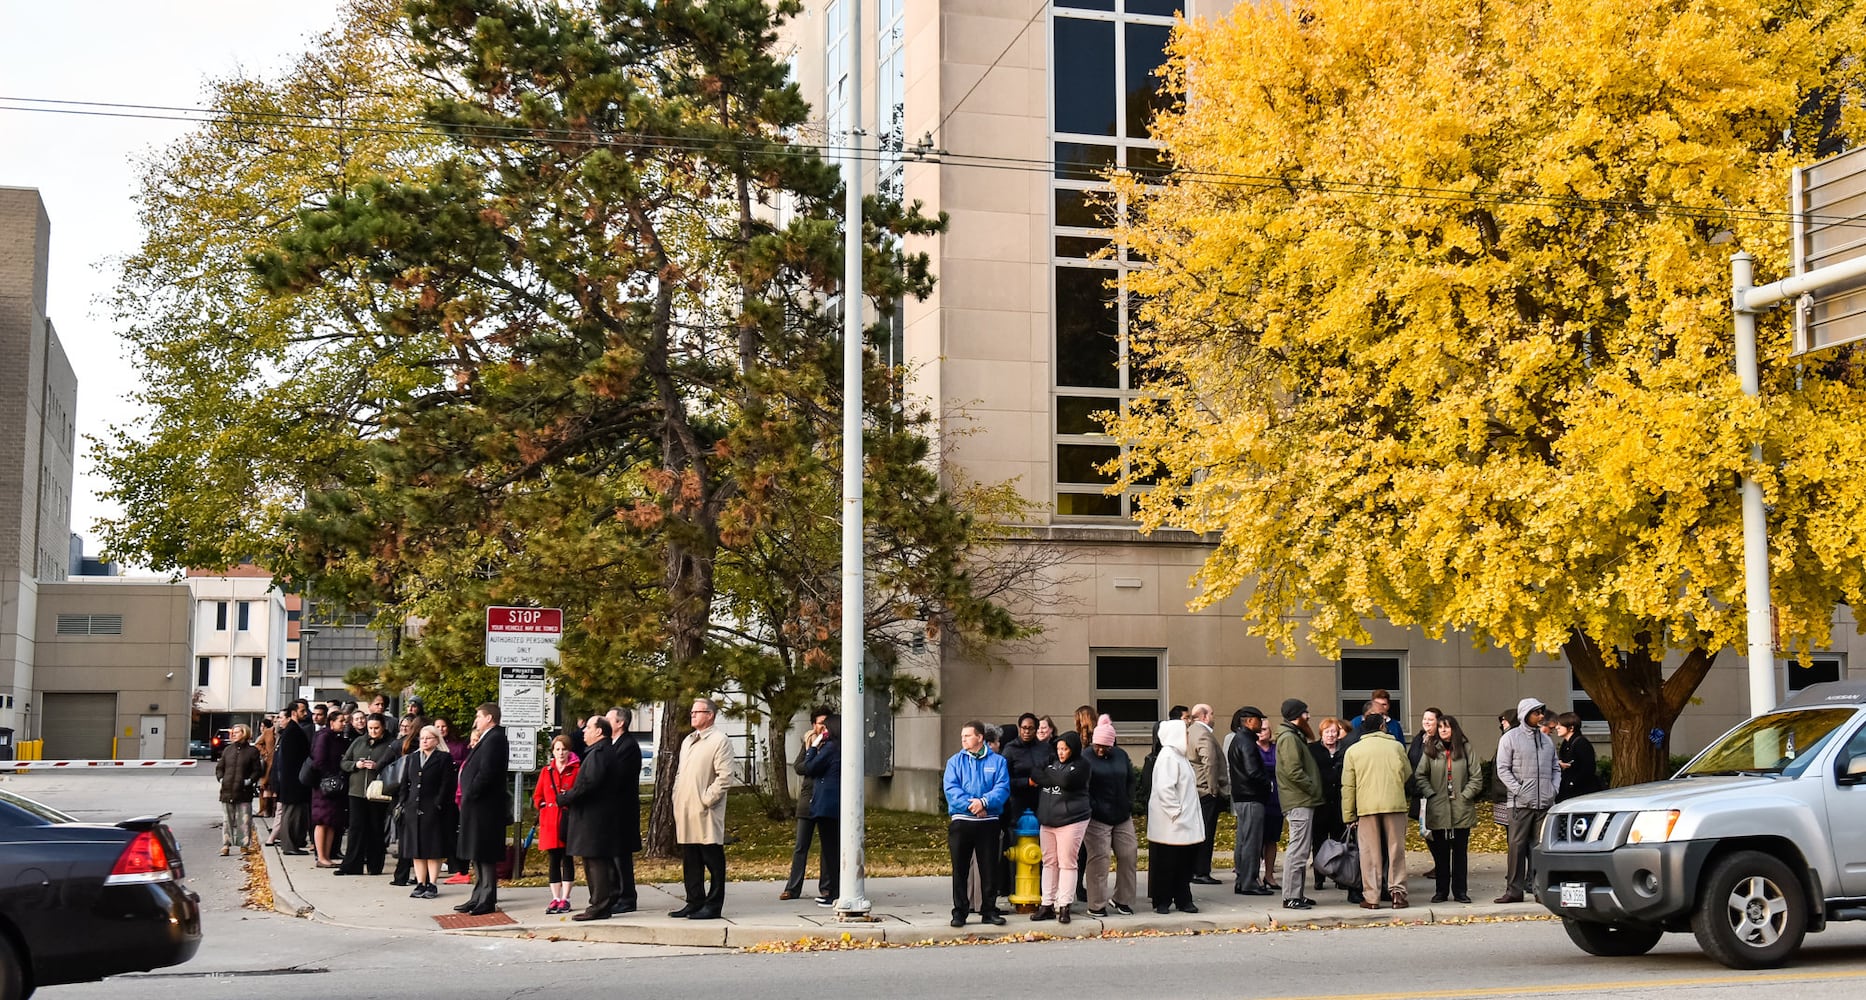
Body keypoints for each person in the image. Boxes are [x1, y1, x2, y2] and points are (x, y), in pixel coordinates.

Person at [1342, 711, 1414, 909]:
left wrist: (1349, 815)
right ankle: (1398, 893)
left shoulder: (1354, 751)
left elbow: (1348, 787)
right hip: (1394, 804)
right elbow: (1407, 773)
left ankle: (1372, 897)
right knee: (1396, 850)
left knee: (1370, 853)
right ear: (1383, 726)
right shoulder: (1397, 747)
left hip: (1367, 807)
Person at [943, 719, 1010, 928]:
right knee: (960, 868)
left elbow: (1002, 789)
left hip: (988, 821)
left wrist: (984, 803)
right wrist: (972, 805)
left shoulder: (998, 762)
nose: (963, 739)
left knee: (989, 868)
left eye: (968, 736)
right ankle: (960, 911)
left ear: (980, 738)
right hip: (962, 821)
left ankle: (989, 910)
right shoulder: (955, 761)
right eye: (962, 736)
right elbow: (951, 789)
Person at [671, 697, 733, 920]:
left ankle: (713, 904)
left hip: (706, 810)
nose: (693, 715)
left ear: (711, 715)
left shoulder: (719, 740)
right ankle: (694, 900)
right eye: (692, 712)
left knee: (712, 858)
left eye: (698, 711)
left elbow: (725, 777)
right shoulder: (688, 740)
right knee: (691, 859)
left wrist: (707, 799)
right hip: (686, 808)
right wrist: (677, 795)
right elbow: (680, 773)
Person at [1494, 698, 1559, 903]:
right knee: (1516, 847)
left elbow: (1555, 767)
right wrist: (1519, 790)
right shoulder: (1510, 738)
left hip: (1544, 803)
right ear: (1525, 714)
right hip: (1520, 804)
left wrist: (1553, 790)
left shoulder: (1547, 740)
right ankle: (1514, 890)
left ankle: (1540, 890)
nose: (1540, 716)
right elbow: (1502, 769)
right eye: (1536, 712)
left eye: (1541, 712)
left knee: (1539, 848)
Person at [1414, 713, 1484, 904]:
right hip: (1438, 808)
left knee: (1460, 853)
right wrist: (1432, 794)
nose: (1443, 730)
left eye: (1447, 727)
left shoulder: (1466, 748)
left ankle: (1460, 891)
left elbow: (1476, 777)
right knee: (1441, 854)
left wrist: (1465, 795)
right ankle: (1441, 891)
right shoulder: (1431, 749)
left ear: (1454, 729)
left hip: (1461, 808)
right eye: (1441, 727)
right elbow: (1420, 775)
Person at [563, 717, 628, 921]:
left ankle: (599, 905)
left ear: (599, 732)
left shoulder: (599, 754)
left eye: (588, 728)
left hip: (594, 818)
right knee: (596, 861)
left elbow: (588, 785)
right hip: (597, 816)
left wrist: (565, 797)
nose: (583, 731)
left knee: (596, 861)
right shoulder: (599, 752)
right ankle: (602, 903)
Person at [1029, 730, 1090, 923]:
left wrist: (1048, 774)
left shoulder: (1082, 765)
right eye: (1059, 749)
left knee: (1067, 862)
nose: (1061, 752)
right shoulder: (1052, 762)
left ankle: (1064, 905)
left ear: (1073, 749)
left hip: (1071, 819)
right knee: (1049, 862)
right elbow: (1034, 773)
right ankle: (1047, 904)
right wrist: (1051, 774)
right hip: (1048, 820)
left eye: (1065, 749)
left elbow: (1066, 781)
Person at [454, 703, 510, 916]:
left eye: (479, 716)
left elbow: (487, 772)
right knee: (475, 852)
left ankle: (487, 898)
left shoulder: (495, 739)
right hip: (476, 806)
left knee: (484, 853)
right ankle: (477, 895)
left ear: (489, 718)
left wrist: (471, 792)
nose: (476, 720)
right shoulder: (488, 738)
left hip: (485, 806)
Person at [1083, 715, 1138, 917]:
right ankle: (1096, 904)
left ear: (1112, 744)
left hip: (1122, 814)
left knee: (1128, 854)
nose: (1099, 750)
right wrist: (1094, 807)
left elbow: (1130, 781)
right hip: (1097, 818)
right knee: (1099, 859)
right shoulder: (1086, 757)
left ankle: (1122, 899)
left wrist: (1129, 802)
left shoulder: (1121, 755)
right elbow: (1084, 788)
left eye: (1104, 746)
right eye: (1097, 745)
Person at [1147, 718, 1202, 915]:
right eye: (1186, 733)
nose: (1188, 737)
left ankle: (1182, 897)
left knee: (1182, 863)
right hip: (1171, 824)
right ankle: (1163, 900)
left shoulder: (1180, 757)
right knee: (1167, 863)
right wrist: (1176, 812)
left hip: (1181, 822)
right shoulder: (1168, 757)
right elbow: (1165, 789)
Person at [1273, 699, 1323, 910]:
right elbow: (1294, 771)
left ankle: (1297, 894)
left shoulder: (1292, 736)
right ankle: (1291, 896)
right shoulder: (1289, 738)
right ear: (1297, 715)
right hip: (1299, 800)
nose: (1309, 716)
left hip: (1300, 799)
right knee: (1298, 850)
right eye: (1306, 713)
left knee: (1301, 849)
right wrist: (1312, 788)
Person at [336, 713, 398, 877]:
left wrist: (378, 766)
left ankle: (375, 865)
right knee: (355, 829)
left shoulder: (391, 744)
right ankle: (351, 865)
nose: (373, 731)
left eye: (376, 728)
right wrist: (356, 765)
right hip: (356, 791)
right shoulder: (359, 741)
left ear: (383, 726)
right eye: (370, 728)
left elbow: (396, 766)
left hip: (377, 792)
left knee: (375, 829)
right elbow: (344, 762)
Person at [398, 724, 456, 899]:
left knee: (432, 848)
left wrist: (439, 803)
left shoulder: (443, 758)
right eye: (422, 738)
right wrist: (404, 802)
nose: (424, 741)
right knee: (416, 847)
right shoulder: (412, 758)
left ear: (436, 740)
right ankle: (420, 883)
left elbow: (447, 784)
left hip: (433, 807)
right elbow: (405, 782)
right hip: (413, 807)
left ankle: (432, 883)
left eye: (428, 738)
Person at [782, 708, 831, 901]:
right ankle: (793, 888)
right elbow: (799, 766)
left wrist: (813, 766)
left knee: (827, 847)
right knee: (801, 846)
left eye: (826, 723)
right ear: (813, 725)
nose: (823, 727)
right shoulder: (810, 741)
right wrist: (813, 765)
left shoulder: (833, 745)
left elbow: (822, 767)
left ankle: (826, 888)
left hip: (825, 801)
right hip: (807, 800)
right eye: (820, 723)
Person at [1307, 716, 1356, 902]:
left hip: (1339, 802)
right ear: (1322, 733)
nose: (1331, 736)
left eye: (1334, 732)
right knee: (1319, 841)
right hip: (1320, 802)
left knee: (1339, 841)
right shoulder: (1313, 750)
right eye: (1327, 732)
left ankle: (1338, 875)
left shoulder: (1345, 750)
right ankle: (1319, 876)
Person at [1226, 706, 1273, 895]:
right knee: (1252, 842)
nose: (1261, 724)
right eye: (1258, 720)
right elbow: (1252, 771)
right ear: (1248, 721)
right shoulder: (1246, 742)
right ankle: (1249, 882)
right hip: (1251, 797)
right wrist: (1267, 784)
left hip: (1242, 796)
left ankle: (1242, 879)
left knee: (1244, 840)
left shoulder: (1239, 739)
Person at [533, 733, 582, 914]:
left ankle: (566, 898)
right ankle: (555, 897)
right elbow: (538, 795)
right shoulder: (547, 771)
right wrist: (542, 805)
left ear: (569, 751)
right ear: (553, 751)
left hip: (567, 821)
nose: (561, 753)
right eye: (557, 749)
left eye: (564, 749)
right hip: (549, 822)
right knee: (553, 860)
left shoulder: (576, 770)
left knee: (567, 858)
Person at [604, 706, 645, 914]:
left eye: (608, 718)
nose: (604, 721)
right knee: (612, 855)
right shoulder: (611, 744)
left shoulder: (627, 746)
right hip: (610, 811)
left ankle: (627, 896)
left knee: (621, 855)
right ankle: (614, 894)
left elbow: (617, 777)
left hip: (622, 810)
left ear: (620, 723)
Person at [798, 713, 841, 906]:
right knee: (833, 849)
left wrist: (813, 747)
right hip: (835, 804)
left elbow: (810, 766)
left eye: (825, 728)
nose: (822, 731)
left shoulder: (830, 747)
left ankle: (833, 892)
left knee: (830, 850)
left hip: (826, 804)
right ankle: (834, 889)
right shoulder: (841, 746)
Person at [1185, 703, 1228, 886]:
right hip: (1205, 790)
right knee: (1206, 833)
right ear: (1203, 716)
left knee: (1200, 831)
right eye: (1211, 713)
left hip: (1196, 789)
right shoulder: (1203, 734)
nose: (1214, 716)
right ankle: (1201, 871)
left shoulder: (1190, 731)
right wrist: (1213, 789)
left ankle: (1196, 869)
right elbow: (1209, 762)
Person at [215, 724, 264, 856]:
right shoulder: (227, 750)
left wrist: (249, 781)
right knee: (227, 820)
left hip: (243, 791)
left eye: (237, 732)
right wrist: (221, 778)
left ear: (244, 734)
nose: (233, 734)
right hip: (227, 790)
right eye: (233, 732)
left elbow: (257, 770)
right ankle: (226, 845)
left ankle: (244, 845)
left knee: (244, 819)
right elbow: (220, 767)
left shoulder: (252, 751)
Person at [309, 714, 349, 867]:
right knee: (322, 820)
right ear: (332, 722)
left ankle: (327, 855)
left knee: (332, 821)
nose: (344, 723)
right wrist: (330, 777)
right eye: (341, 721)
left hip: (335, 784)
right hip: (324, 785)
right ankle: (321, 856)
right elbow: (319, 760)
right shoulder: (324, 737)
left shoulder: (338, 738)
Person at [273, 700, 313, 855]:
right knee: (292, 815)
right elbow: (289, 760)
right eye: (303, 710)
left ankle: (292, 844)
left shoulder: (293, 730)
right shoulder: (293, 731)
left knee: (294, 814)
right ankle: (290, 846)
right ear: (294, 712)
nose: (306, 713)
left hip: (292, 780)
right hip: (293, 781)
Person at [1255, 718, 1283, 890]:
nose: (1263, 732)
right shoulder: (1253, 749)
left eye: (1266, 729)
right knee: (1257, 838)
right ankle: (1254, 875)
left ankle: (1269, 875)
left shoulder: (1276, 748)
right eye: (1260, 729)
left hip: (1276, 798)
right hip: (1260, 797)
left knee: (1272, 839)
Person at [1554, 712, 1602, 802]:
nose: (1557, 727)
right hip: (1569, 789)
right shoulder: (1566, 743)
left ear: (1571, 728)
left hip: (1580, 790)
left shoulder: (1581, 743)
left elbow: (1588, 768)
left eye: (1560, 725)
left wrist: (1572, 783)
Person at [254, 718, 278, 822]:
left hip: (279, 764)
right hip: (269, 763)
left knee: (275, 788)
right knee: (266, 786)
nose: (278, 721)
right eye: (277, 719)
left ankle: (273, 810)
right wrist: (264, 753)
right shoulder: (268, 732)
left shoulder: (284, 733)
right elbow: (258, 744)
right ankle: (266, 810)